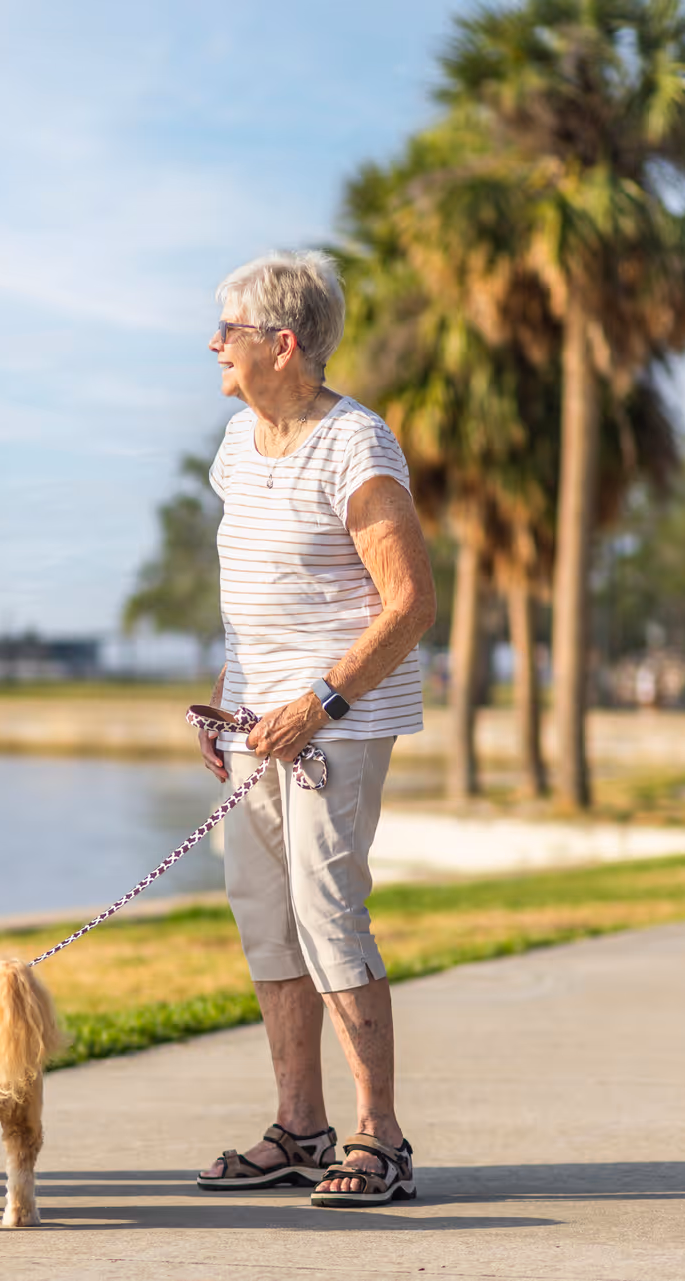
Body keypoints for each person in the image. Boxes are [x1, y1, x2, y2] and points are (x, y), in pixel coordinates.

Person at [190, 251, 437, 1207]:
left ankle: (382, 1136)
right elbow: (250, 592)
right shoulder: (233, 442)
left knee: (329, 915)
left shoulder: (356, 444)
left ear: (283, 345)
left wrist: (319, 703)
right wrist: (228, 692)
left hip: (334, 723)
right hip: (256, 723)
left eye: (231, 330)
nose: (215, 344)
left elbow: (411, 602)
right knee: (266, 920)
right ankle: (300, 1127)